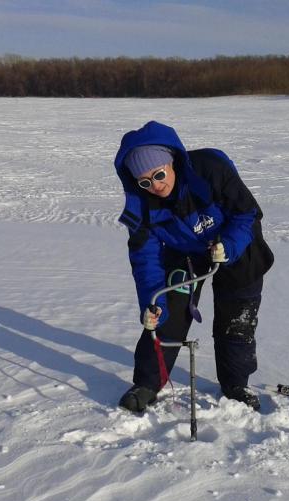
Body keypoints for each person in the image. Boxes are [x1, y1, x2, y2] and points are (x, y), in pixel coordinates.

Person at [114, 121, 274, 413]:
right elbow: (145, 259)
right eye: (145, 182)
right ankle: (148, 383)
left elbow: (247, 213)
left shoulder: (211, 170)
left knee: (236, 320)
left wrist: (229, 245)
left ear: (171, 162)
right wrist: (152, 303)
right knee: (166, 313)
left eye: (159, 174)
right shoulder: (142, 208)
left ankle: (236, 385)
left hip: (237, 244)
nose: (155, 185)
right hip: (185, 253)